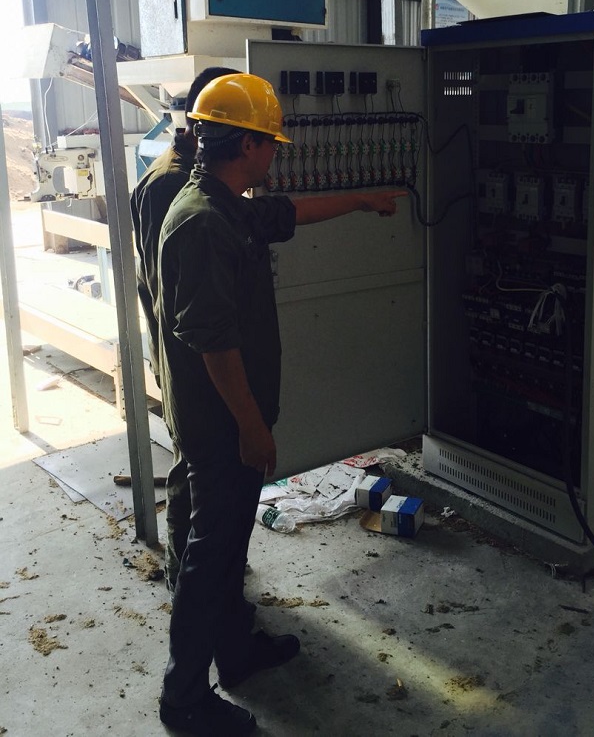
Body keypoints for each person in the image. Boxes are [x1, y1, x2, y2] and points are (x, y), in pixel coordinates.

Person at [157, 72, 406, 735]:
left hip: (233, 419)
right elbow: (214, 344)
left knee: (227, 544)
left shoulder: (226, 205)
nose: (275, 153)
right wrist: (251, 428)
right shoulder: (203, 222)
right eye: (270, 141)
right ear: (248, 145)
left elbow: (289, 213)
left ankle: (235, 652)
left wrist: (362, 200)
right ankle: (183, 697)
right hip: (220, 425)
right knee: (210, 554)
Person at [130, 65, 237, 593]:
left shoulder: (191, 176)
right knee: (192, 468)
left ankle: (207, 575)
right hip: (186, 353)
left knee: (202, 467)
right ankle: (186, 580)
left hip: (194, 345)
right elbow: (170, 293)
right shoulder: (171, 185)